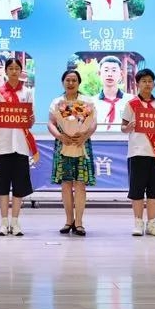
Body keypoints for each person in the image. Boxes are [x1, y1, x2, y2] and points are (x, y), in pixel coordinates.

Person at [121, 67, 155, 236]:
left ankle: (152, 224)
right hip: (137, 152)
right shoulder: (131, 104)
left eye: (150, 81)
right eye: (143, 81)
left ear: (154, 84)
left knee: (154, 191)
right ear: (137, 84)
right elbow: (123, 128)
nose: (147, 84)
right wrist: (129, 127)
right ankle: (138, 223)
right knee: (137, 190)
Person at [48, 68, 96, 235]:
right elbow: (51, 123)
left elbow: (93, 123)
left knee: (80, 184)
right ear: (63, 82)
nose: (71, 83)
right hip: (63, 145)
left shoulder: (86, 101)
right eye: (67, 80)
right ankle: (69, 221)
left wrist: (84, 136)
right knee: (66, 184)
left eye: (74, 80)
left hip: (81, 144)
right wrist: (60, 136)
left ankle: (79, 222)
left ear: (79, 83)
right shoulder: (57, 102)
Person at [0, 57, 36, 235]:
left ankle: (15, 222)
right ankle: (4, 222)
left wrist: (30, 119)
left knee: (19, 186)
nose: (14, 71)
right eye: (10, 68)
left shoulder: (27, 92)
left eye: (17, 68)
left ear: (21, 71)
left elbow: (30, 120)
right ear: (6, 71)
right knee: (2, 186)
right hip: (3, 144)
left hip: (21, 144)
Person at [93, 55, 126, 130]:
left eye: (114, 70)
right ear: (99, 73)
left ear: (121, 74)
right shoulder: (91, 102)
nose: (110, 74)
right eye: (106, 70)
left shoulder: (131, 101)